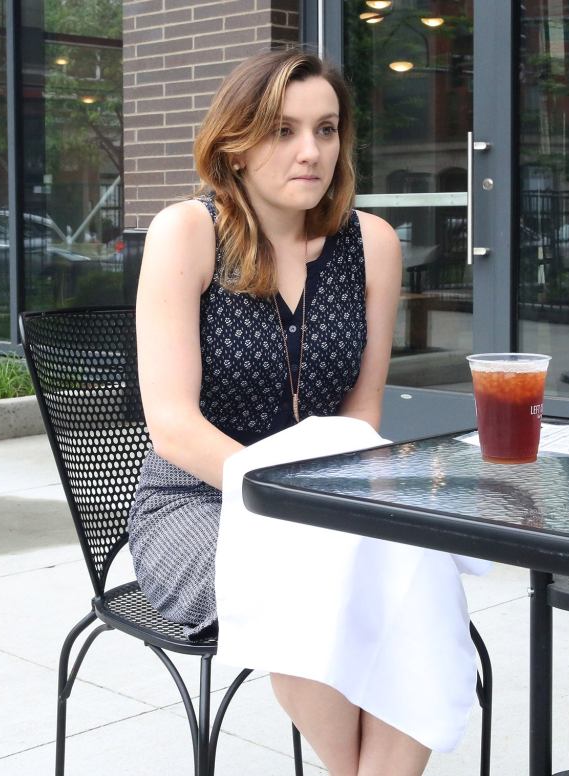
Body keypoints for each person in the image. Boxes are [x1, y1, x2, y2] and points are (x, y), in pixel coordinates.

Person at [127, 48, 440, 775]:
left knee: (421, 565)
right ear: (234, 144)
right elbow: (171, 424)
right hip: (195, 504)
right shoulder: (187, 232)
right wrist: (286, 495)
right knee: (305, 572)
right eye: (283, 130)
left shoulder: (374, 246)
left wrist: (348, 500)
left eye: (326, 130)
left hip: (330, 498)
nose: (311, 151)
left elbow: (362, 417)